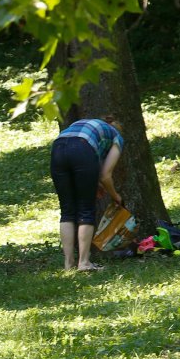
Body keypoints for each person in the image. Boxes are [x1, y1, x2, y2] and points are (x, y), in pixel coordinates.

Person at [49, 116, 124, 271]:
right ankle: (84, 263)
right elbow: (105, 175)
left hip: (58, 147)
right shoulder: (116, 137)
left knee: (67, 211)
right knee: (85, 211)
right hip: (82, 148)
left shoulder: (85, 124)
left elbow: (82, 157)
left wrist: (94, 183)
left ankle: (68, 264)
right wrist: (115, 196)